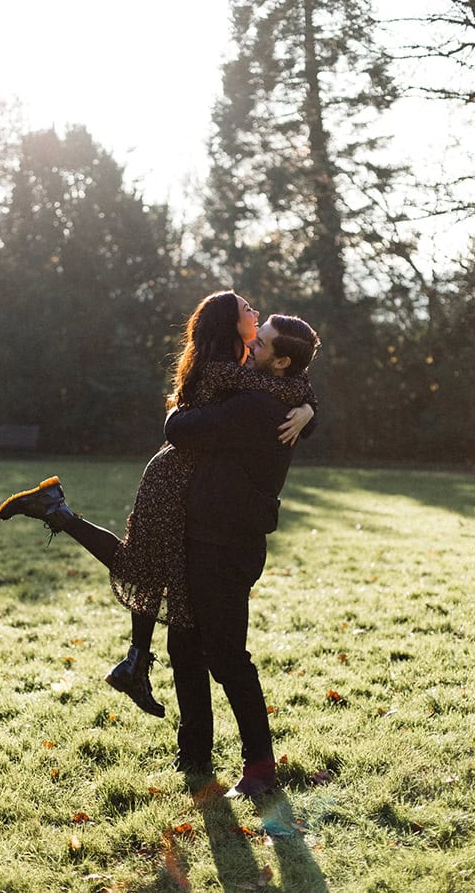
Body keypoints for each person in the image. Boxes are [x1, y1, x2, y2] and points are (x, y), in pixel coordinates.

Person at [0, 292, 316, 719]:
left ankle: (135, 660)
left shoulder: (238, 366)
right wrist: (309, 405)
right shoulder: (227, 370)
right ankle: (62, 518)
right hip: (174, 477)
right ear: (231, 325)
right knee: (143, 565)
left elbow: (288, 384)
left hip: (187, 478)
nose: (255, 314)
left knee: (151, 567)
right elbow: (282, 388)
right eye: (247, 311)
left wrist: (311, 409)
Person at [164, 314, 321, 797]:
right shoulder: (281, 395)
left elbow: (179, 427)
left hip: (226, 545)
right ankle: (194, 756)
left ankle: (259, 770)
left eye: (264, 343)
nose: (253, 344)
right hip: (207, 535)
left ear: (283, 361)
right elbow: (302, 389)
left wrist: (311, 408)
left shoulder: (254, 406)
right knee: (185, 646)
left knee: (228, 657)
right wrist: (313, 407)